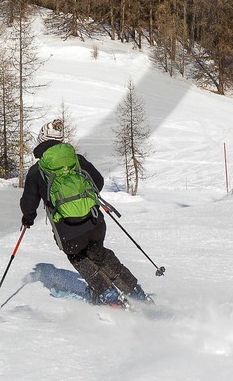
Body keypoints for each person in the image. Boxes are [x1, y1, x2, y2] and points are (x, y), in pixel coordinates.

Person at [20, 119, 147, 305]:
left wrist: (27, 219)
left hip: (67, 229)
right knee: (99, 253)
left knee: (78, 257)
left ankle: (107, 294)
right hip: (95, 221)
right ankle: (135, 291)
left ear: (42, 140)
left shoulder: (37, 171)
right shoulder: (77, 160)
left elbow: (28, 204)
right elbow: (98, 181)